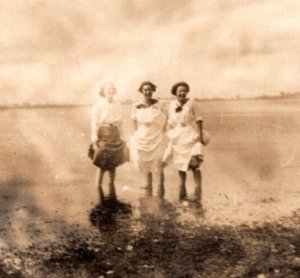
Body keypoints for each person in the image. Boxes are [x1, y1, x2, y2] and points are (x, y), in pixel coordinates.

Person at [162, 82, 208, 209]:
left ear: (187, 92)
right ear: (175, 93)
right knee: (181, 166)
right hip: (178, 136)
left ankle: (198, 193)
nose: (182, 93)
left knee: (195, 165)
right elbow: (170, 121)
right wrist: (169, 133)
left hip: (191, 134)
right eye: (179, 91)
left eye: (184, 91)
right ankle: (182, 195)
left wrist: (199, 135)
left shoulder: (192, 103)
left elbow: (199, 119)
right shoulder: (172, 105)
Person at [89, 82, 128, 201]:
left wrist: (123, 137)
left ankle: (112, 192)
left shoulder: (118, 104)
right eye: (108, 90)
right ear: (103, 92)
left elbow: (121, 123)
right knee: (101, 163)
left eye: (112, 90)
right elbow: (94, 124)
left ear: (114, 91)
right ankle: (99, 192)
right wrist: (95, 140)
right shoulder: (98, 106)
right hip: (103, 133)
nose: (110, 92)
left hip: (115, 133)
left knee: (113, 163)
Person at [131, 81, 167, 198]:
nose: (147, 92)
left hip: (156, 135)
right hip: (143, 136)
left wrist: (163, 131)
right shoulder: (135, 105)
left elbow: (166, 118)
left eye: (149, 89)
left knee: (158, 163)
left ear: (153, 90)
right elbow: (134, 122)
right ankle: (149, 191)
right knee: (147, 164)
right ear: (142, 91)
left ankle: (161, 192)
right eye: (145, 90)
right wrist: (135, 136)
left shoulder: (160, 104)